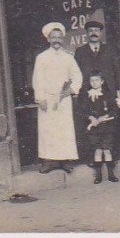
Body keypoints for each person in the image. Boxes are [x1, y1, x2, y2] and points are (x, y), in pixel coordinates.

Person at [31, 22, 83, 174]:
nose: (56, 40)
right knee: (48, 130)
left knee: (64, 129)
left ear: (63, 39)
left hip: (63, 99)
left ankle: (66, 161)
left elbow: (77, 75)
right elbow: (37, 79)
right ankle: (49, 161)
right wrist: (40, 98)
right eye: (53, 37)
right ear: (48, 39)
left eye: (59, 37)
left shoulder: (68, 57)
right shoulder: (41, 57)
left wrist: (72, 90)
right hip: (47, 98)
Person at [77, 70, 119, 183]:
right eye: (92, 80)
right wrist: (91, 118)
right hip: (94, 128)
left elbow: (114, 111)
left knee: (107, 150)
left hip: (107, 127)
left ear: (102, 81)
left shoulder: (108, 95)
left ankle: (111, 174)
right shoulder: (86, 96)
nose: (94, 83)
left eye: (97, 80)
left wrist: (103, 117)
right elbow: (82, 111)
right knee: (97, 150)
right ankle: (98, 176)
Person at [74, 20, 120, 97]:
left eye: (96, 30)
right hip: (86, 93)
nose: (93, 33)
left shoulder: (110, 49)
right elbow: (75, 73)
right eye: (90, 31)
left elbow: (117, 70)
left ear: (100, 33)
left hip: (109, 91)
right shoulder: (80, 51)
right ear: (87, 34)